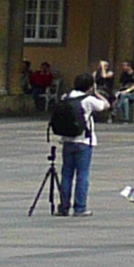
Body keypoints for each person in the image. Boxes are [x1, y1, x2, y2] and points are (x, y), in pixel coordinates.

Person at [47, 72, 102, 215]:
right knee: (82, 175)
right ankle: (80, 207)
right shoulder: (89, 100)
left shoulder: (66, 97)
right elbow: (105, 105)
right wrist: (96, 93)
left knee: (66, 174)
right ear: (90, 86)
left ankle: (64, 207)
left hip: (67, 140)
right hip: (84, 140)